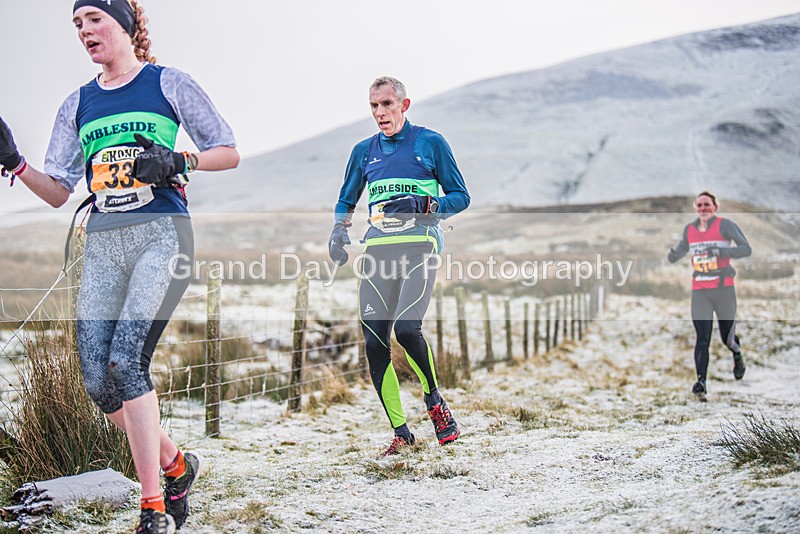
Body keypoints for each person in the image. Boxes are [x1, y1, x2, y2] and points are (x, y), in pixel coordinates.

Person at [0, 1, 239, 532]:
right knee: (96, 378)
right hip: (104, 242)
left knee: (127, 363)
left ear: (125, 26)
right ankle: (177, 466)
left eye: (95, 20)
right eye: (77, 24)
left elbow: (228, 150)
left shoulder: (168, 84)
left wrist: (181, 160)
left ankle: (153, 507)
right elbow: (59, 192)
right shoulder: (77, 103)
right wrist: (14, 162)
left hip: (162, 235)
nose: (85, 31)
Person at [329, 76, 470, 456]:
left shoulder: (430, 143)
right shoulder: (363, 151)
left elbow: (461, 196)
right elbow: (346, 200)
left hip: (419, 248)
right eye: (374, 106)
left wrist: (424, 206)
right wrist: (338, 231)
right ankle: (401, 434)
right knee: (374, 344)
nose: (380, 113)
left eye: (387, 104)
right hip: (377, 253)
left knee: (407, 330)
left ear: (404, 106)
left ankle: (435, 402)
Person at [667, 191, 751, 400]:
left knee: (727, 338)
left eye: (707, 205)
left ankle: (737, 353)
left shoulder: (725, 226)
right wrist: (673, 255)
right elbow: (680, 250)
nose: (703, 209)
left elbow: (745, 249)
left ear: (715, 207)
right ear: (695, 208)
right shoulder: (690, 230)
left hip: (723, 289)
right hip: (700, 290)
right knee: (702, 337)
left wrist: (723, 253)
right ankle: (701, 381)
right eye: (699, 205)